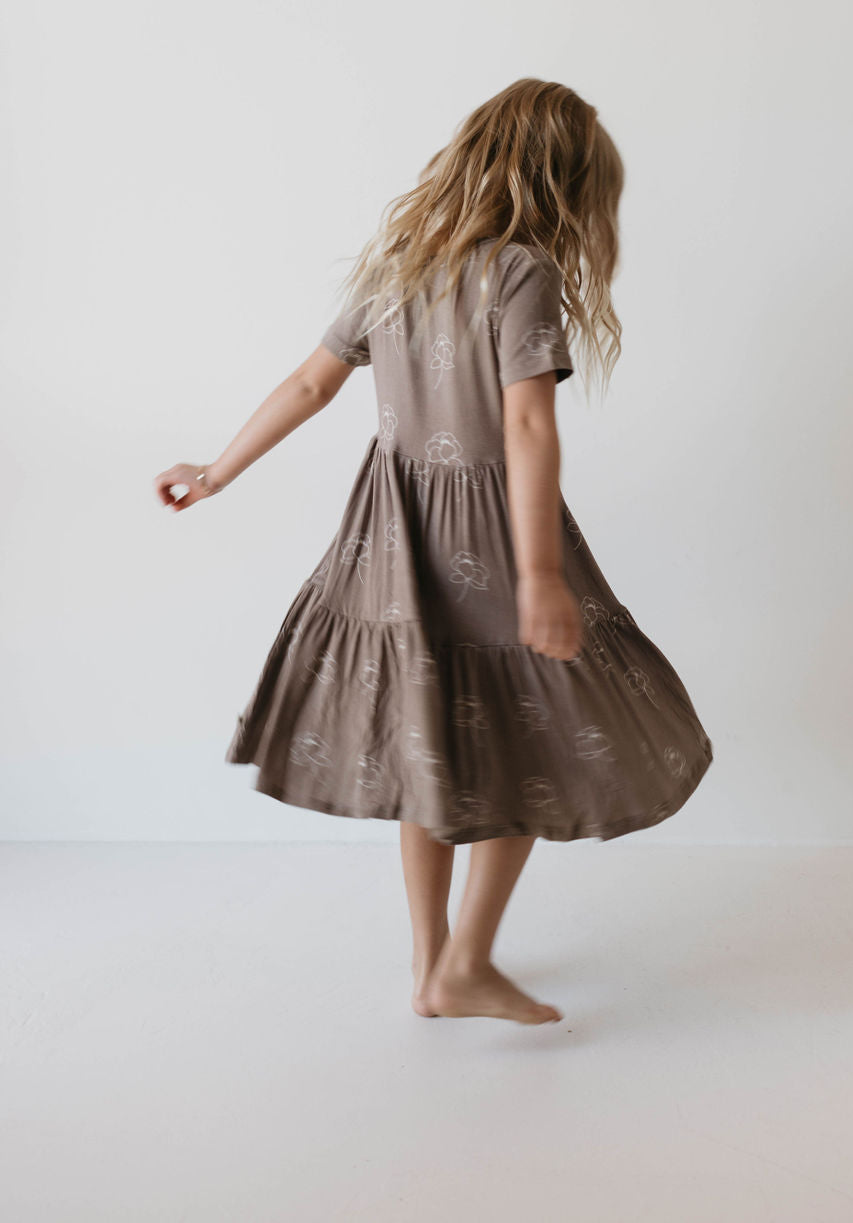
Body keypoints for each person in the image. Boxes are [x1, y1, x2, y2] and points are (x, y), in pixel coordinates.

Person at [154, 77, 713, 1026]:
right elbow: (527, 430)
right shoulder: (524, 270)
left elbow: (307, 384)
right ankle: (463, 963)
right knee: (525, 732)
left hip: (396, 531)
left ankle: (433, 967)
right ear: (564, 183)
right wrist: (540, 575)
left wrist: (219, 469)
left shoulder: (399, 268)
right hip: (493, 538)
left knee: (432, 733)